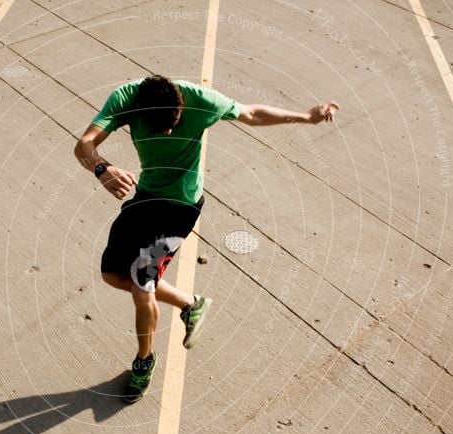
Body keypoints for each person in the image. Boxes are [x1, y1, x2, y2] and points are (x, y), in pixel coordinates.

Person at [74, 75, 338, 403]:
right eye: (160, 127)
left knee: (143, 284)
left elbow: (251, 114)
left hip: (180, 209)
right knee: (113, 274)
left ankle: (144, 361)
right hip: (146, 197)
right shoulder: (125, 99)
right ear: (138, 114)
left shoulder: (200, 100)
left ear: (182, 107)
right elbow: (83, 146)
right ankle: (191, 305)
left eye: (174, 123)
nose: (169, 131)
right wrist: (101, 169)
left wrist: (307, 117)